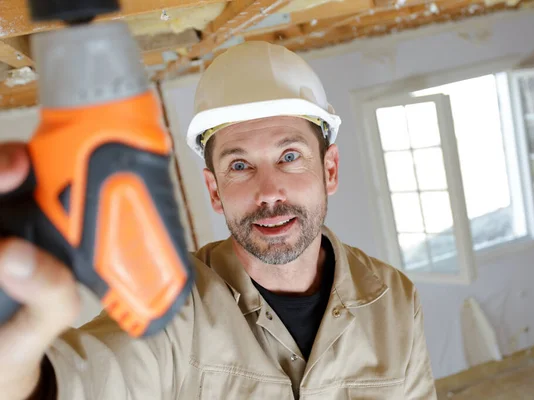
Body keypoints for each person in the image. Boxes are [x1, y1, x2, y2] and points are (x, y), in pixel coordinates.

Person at [0, 41, 437, 399]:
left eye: (289, 157)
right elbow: (74, 383)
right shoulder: (175, 305)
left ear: (330, 170)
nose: (268, 192)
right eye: (240, 166)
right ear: (214, 190)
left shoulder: (394, 300)